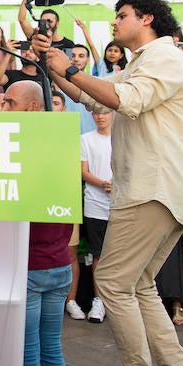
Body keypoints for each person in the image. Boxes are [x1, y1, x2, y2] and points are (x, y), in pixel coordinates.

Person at [37, 0, 183, 366]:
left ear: (147, 18)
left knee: (112, 282)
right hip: (158, 189)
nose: (114, 23)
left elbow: (125, 101)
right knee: (139, 286)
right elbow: (96, 99)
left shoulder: (166, 57)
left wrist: (71, 67)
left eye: (122, 15)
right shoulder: (140, 63)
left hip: (153, 188)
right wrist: (54, 68)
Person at [0, 80, 74, 366]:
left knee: (28, 352)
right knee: (51, 349)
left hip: (32, 265)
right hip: (59, 264)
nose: (3, 109)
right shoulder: (61, 146)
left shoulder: (24, 151)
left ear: (32, 107)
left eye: (10, 103)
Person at [71, 108, 115, 322]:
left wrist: (119, 185)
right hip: (95, 205)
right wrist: (105, 184)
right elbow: (83, 171)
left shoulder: (122, 139)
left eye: (105, 112)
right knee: (98, 254)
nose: (100, 116)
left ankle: (117, 301)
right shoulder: (85, 139)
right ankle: (99, 301)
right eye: (97, 113)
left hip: (121, 205)